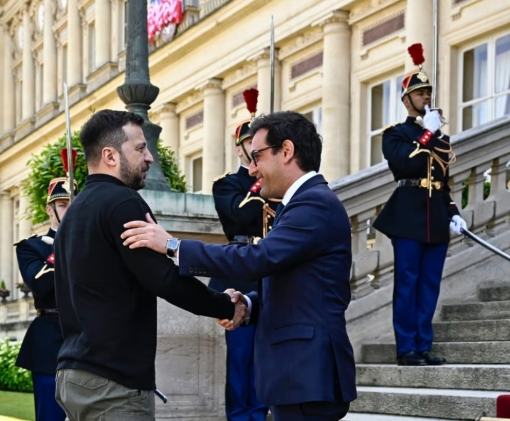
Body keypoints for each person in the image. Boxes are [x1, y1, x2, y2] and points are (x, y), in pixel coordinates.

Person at [121, 111, 357, 421]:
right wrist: (248, 304)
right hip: (299, 374)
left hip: (308, 373)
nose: (253, 169)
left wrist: (173, 246)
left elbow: (256, 259)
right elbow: (299, 287)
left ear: (286, 151)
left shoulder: (314, 203)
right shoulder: (303, 203)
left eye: (257, 156)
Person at [53, 110, 246, 421]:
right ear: (110, 156)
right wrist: (226, 306)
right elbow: (165, 279)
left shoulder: (73, 214)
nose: (150, 158)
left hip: (74, 377)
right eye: (140, 148)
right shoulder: (123, 202)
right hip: (112, 383)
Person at [372, 43, 468, 367]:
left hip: (435, 216)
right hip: (408, 214)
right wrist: (426, 135)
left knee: (429, 285)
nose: (426, 97)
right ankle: (407, 348)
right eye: (419, 93)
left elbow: (443, 182)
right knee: (407, 283)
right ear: (406, 100)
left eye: (428, 92)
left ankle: (423, 345)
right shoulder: (395, 134)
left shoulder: (440, 138)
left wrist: (453, 213)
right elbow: (406, 163)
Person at [210, 88, 272, 421]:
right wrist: (260, 180)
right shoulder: (227, 185)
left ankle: (260, 414)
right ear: (239, 148)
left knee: (264, 356)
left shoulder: (276, 183)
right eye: (251, 143)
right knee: (241, 356)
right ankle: (240, 417)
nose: (257, 148)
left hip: (272, 269)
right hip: (242, 270)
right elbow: (239, 215)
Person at [14, 169, 78, 421]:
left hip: (88, 336)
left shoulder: (91, 244)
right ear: (49, 210)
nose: (69, 210)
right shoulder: (32, 247)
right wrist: (64, 245)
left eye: (73, 205)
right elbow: (40, 284)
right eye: (63, 205)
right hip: (50, 339)